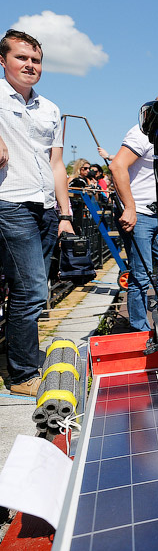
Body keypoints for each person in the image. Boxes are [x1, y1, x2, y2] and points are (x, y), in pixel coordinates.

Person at [0, 29, 74, 396]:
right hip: (10, 201)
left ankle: (21, 355)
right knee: (30, 289)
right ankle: (22, 375)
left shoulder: (50, 108)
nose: (29, 65)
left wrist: (66, 212)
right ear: (3, 61)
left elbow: (56, 162)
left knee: (32, 287)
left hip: (45, 205)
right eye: (21, 58)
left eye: (36, 60)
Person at [108, 92, 158, 332]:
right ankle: (139, 329)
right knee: (141, 276)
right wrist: (129, 208)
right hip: (140, 216)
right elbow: (117, 165)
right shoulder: (140, 134)